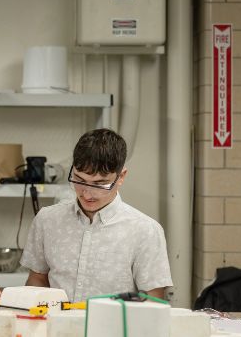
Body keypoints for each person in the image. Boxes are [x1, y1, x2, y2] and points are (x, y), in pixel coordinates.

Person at [21, 128, 172, 301]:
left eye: (100, 184)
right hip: (57, 325)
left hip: (116, 327)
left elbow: (152, 302)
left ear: (121, 176)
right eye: (80, 180)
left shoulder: (145, 231)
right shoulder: (47, 220)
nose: (87, 194)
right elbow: (37, 279)